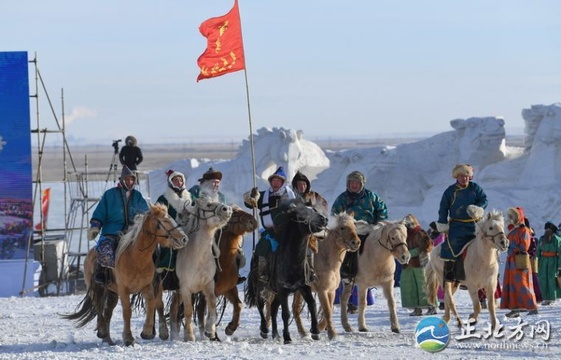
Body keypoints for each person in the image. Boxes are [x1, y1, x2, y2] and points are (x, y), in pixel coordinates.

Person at [331, 170, 387, 313]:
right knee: (344, 261)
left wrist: (378, 224)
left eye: (357, 183)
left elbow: (382, 210)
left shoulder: (371, 197)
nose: (354, 185)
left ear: (361, 184)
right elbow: (335, 215)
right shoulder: (342, 198)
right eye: (351, 183)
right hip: (349, 235)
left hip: (368, 232)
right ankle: (344, 296)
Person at [87, 166, 149, 284]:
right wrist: (95, 226)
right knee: (106, 251)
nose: (129, 182)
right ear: (122, 180)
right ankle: (102, 273)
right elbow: (100, 212)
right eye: (127, 179)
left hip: (132, 233)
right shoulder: (109, 195)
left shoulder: (137, 196)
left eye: (132, 179)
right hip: (112, 232)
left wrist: (141, 218)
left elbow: (145, 211)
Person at [190, 167, 245, 284]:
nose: (216, 185)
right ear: (205, 183)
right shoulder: (196, 191)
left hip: (217, 228)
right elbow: (192, 205)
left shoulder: (221, 196)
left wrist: (234, 209)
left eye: (217, 183)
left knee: (232, 243)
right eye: (213, 182)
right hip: (199, 228)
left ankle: (232, 272)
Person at [436, 164, 487, 285]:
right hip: (457, 227)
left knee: (485, 245)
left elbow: (484, 199)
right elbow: (443, 208)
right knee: (450, 247)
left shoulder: (475, 188)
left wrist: (478, 208)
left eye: (466, 176)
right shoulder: (450, 191)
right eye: (461, 176)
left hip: (474, 225)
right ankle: (449, 272)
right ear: (456, 177)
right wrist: (443, 223)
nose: (464, 179)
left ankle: (487, 271)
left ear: (469, 177)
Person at [243, 166, 296, 283]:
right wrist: (252, 196)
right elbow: (249, 204)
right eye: (273, 180)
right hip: (270, 232)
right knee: (261, 247)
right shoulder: (263, 196)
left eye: (278, 181)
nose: (275, 183)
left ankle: (302, 273)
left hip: (288, 232)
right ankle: (262, 273)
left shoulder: (291, 197)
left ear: (282, 183)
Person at [290, 170, 329, 283]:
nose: (302, 186)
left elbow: (323, 208)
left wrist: (319, 216)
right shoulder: (291, 196)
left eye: (304, 184)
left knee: (308, 246)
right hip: (294, 231)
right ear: (295, 185)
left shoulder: (314, 195)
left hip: (311, 230)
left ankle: (311, 271)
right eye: (299, 184)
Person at [500, 206, 538, 317]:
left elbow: (524, 246)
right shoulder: (513, 231)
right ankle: (515, 309)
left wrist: (512, 248)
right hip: (511, 262)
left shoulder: (525, 230)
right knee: (512, 285)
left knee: (522, 284)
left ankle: (533, 307)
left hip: (519, 261)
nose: (511, 218)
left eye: (513, 216)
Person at [156, 169, 193, 278]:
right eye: (175, 180)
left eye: (180, 180)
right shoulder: (164, 198)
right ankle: (167, 273)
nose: (178, 182)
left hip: (188, 228)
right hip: (171, 230)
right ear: (171, 182)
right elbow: (159, 215)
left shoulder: (190, 197)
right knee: (168, 248)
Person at [536, 221, 561, 305]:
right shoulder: (541, 239)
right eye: (546, 230)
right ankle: (544, 297)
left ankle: (552, 298)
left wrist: (559, 265)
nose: (547, 231)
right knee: (542, 279)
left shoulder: (557, 240)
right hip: (543, 261)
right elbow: (538, 252)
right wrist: (537, 263)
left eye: (549, 230)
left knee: (551, 279)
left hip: (553, 262)